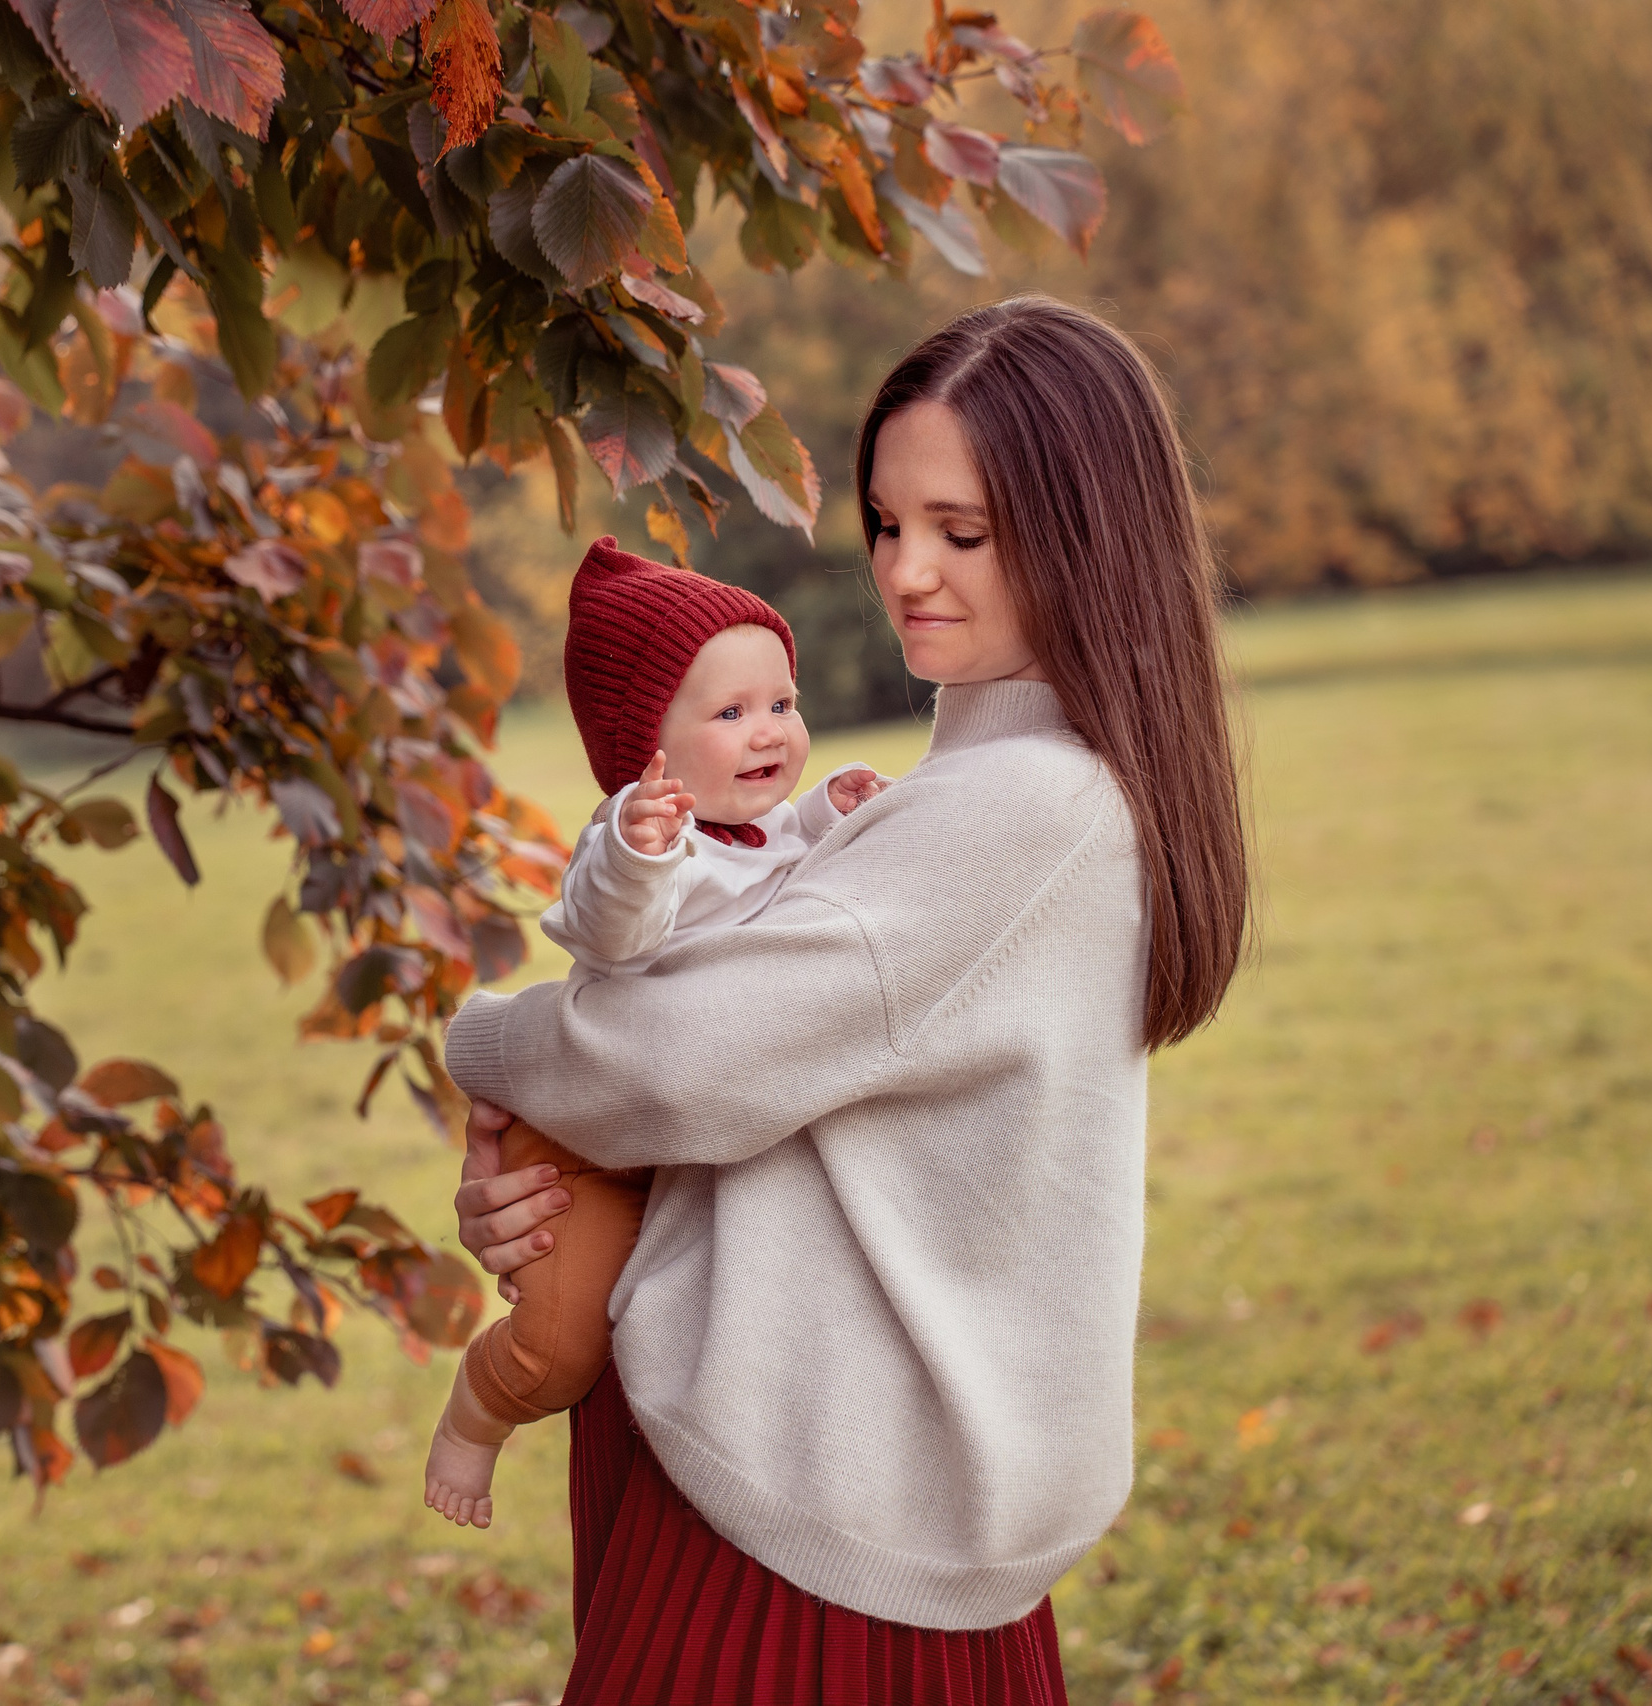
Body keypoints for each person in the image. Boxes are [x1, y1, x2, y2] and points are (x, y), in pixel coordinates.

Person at [442, 296, 1250, 1702]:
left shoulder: (1022, 809)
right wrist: (563, 1164)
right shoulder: (1021, 790)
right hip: (822, 1464)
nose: (907, 573)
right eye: (887, 523)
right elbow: (718, 1088)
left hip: (813, 1511)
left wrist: (489, 1046)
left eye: (964, 531)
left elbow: (672, 1060)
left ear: (1086, 531)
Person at [423, 538, 891, 1530]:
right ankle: (480, 1407)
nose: (768, 730)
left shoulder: (767, 823)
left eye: (781, 702)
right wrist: (638, 850)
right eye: (729, 713)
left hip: (690, 1130)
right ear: (649, 750)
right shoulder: (636, 844)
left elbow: (777, 861)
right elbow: (609, 929)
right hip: (589, 1144)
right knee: (562, 1341)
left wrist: (830, 805)